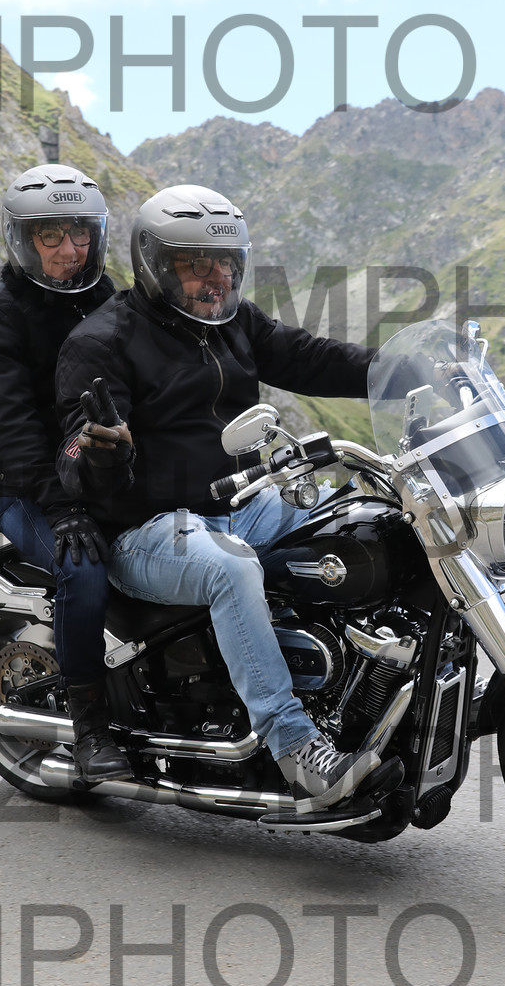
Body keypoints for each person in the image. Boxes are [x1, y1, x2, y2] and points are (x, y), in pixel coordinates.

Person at [56, 183, 379, 812]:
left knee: (356, 518)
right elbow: (75, 451)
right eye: (197, 264)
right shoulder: (102, 342)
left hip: (240, 501)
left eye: (228, 263)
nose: (218, 279)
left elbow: (312, 358)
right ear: (156, 264)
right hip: (145, 526)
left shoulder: (235, 322)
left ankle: (357, 687)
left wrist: (397, 369)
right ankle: (295, 747)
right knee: (231, 568)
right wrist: (104, 452)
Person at [0, 163, 129, 782]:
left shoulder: (107, 297)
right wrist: (62, 507)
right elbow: (10, 429)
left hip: (100, 476)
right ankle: (90, 728)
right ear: (23, 239)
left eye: (80, 234)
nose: (69, 249)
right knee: (83, 568)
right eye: (51, 235)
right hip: (29, 491)